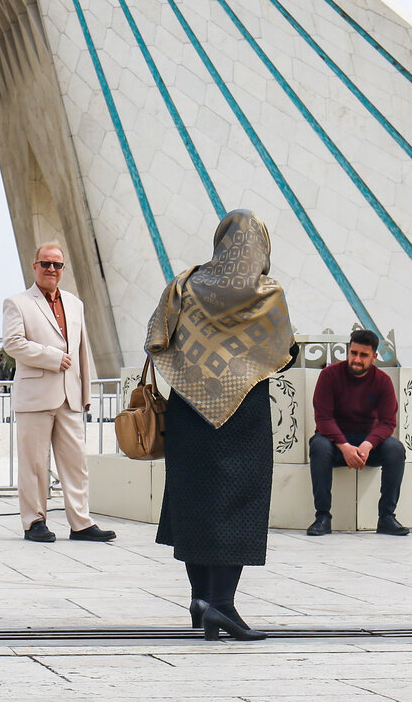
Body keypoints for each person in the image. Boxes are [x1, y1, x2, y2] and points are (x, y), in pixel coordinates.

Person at [147, 211, 296, 641]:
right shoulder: (267, 294)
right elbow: (284, 352)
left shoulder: (184, 285)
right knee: (239, 503)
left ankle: (199, 597)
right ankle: (223, 604)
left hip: (188, 411)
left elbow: (157, 338)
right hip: (243, 414)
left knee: (193, 499)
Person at [3, 241, 115, 544]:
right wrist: (51, 357)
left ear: (63, 269)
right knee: (34, 465)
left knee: (76, 464)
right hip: (35, 396)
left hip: (71, 396)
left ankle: (81, 523)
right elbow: (12, 343)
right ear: (35, 266)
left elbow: (82, 350)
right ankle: (34, 522)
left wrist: (85, 393)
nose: (51, 269)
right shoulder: (17, 302)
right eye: (46, 264)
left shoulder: (75, 303)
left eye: (57, 265)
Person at [307, 329, 408, 538]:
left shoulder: (383, 381)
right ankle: (322, 517)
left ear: (374, 357)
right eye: (353, 353)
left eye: (363, 355)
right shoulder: (329, 375)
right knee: (318, 446)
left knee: (395, 449)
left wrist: (367, 445)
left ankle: (386, 517)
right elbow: (323, 418)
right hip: (334, 443)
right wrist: (344, 447)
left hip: (366, 445)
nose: (357, 359)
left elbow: (388, 422)